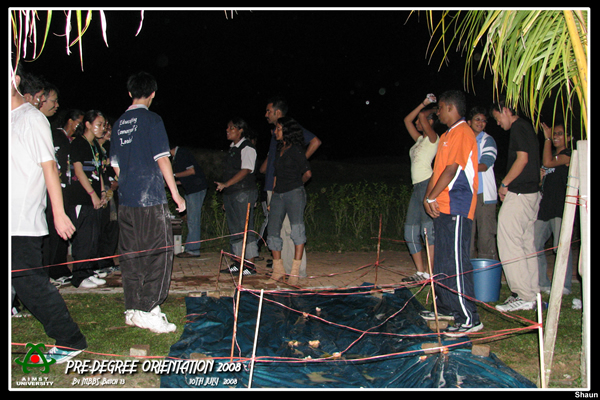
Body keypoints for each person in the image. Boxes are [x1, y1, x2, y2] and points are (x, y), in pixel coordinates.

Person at [10, 67, 87, 364]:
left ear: (14, 79)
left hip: (21, 220)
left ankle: (70, 339)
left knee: (29, 284)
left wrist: (58, 213)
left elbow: (49, 167)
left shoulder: (32, 118)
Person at [110, 71, 185, 333]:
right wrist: (175, 194)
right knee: (159, 254)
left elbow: (116, 165)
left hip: (126, 200)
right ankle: (147, 307)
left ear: (130, 93)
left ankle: (133, 308)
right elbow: (162, 158)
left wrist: (129, 182)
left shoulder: (118, 124)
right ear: (152, 93)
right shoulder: (153, 120)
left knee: (131, 255)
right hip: (150, 198)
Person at [423, 90, 482, 337]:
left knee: (457, 261)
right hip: (443, 205)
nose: (438, 113)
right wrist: (428, 197)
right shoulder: (447, 135)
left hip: (458, 203)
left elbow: (452, 170)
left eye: (440, 108)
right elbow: (437, 172)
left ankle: (469, 317)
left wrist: (432, 197)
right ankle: (447, 308)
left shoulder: (463, 132)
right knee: (442, 261)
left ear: (449, 107)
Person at [260, 96, 321, 278]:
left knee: (291, 230)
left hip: (291, 190)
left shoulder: (291, 132)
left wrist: (296, 169)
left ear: (278, 112)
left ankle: (296, 271)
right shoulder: (278, 141)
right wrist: (264, 169)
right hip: (276, 188)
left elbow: (315, 142)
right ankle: (280, 270)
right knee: (276, 230)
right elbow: (274, 163)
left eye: (269, 111)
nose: (266, 114)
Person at [491, 98, 541, 312]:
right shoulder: (527, 126)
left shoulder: (518, 127)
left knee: (508, 242)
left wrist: (504, 184)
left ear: (505, 110)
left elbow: (522, 159)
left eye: (497, 118)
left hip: (520, 194)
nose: (498, 123)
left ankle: (522, 294)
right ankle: (532, 293)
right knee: (526, 244)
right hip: (531, 194)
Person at [266, 116, 312, 285]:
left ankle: (295, 272)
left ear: (287, 131)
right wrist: (273, 195)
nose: (275, 131)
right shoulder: (280, 149)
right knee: (272, 231)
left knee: (296, 230)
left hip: (294, 193)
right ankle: (278, 270)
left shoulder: (296, 150)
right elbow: (276, 174)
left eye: (278, 128)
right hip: (278, 194)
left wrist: (297, 185)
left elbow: (307, 174)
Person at [67, 110, 108, 289]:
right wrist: (92, 194)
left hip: (95, 198)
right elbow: (78, 171)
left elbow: (99, 171)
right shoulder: (78, 143)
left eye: (104, 125)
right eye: (99, 124)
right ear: (88, 125)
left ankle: (88, 271)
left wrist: (102, 192)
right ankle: (79, 276)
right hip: (82, 198)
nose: (102, 128)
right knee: (83, 238)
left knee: (93, 237)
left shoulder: (95, 145)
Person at [402, 94, 439, 282]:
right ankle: (421, 272)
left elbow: (422, 116)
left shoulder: (433, 138)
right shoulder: (418, 140)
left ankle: (431, 274)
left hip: (427, 185)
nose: (417, 122)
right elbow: (406, 120)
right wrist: (423, 104)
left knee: (427, 232)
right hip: (416, 188)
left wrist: (432, 108)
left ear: (430, 122)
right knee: (409, 232)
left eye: (421, 121)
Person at [45, 109, 84, 285]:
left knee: (65, 233)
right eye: (79, 122)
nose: (80, 127)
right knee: (54, 234)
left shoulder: (71, 141)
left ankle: (60, 269)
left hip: (68, 192)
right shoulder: (56, 136)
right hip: (56, 190)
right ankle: (50, 271)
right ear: (70, 120)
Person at [215, 117, 260, 275]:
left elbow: (246, 169)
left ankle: (250, 265)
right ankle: (238, 262)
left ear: (241, 130)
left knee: (246, 228)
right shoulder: (232, 148)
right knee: (235, 230)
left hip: (243, 192)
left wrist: (226, 184)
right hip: (232, 193)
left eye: (232, 128)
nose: (228, 130)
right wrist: (227, 195)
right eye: (228, 128)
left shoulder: (247, 147)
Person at [535, 121, 573, 295]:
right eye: (554, 134)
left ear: (569, 137)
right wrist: (541, 179)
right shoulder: (551, 156)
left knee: (561, 247)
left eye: (559, 133)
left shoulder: (568, 155)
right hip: (545, 208)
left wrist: (547, 139)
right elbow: (544, 181)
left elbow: (548, 162)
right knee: (535, 244)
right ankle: (543, 282)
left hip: (559, 208)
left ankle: (564, 285)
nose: (556, 136)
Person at [467, 106, 499, 260]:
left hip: (483, 195)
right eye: (477, 119)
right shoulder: (464, 140)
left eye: (484, 120)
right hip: (467, 194)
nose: (480, 123)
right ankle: (467, 271)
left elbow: (485, 164)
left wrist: (461, 167)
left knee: (486, 236)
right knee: (467, 236)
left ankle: (488, 272)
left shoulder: (488, 140)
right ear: (469, 122)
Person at [170, 144, 208, 258]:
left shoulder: (182, 153)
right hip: (191, 189)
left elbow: (191, 171)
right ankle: (191, 248)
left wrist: (172, 175)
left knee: (193, 219)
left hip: (196, 188)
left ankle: (193, 250)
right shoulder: (177, 156)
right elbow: (185, 179)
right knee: (191, 219)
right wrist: (169, 184)